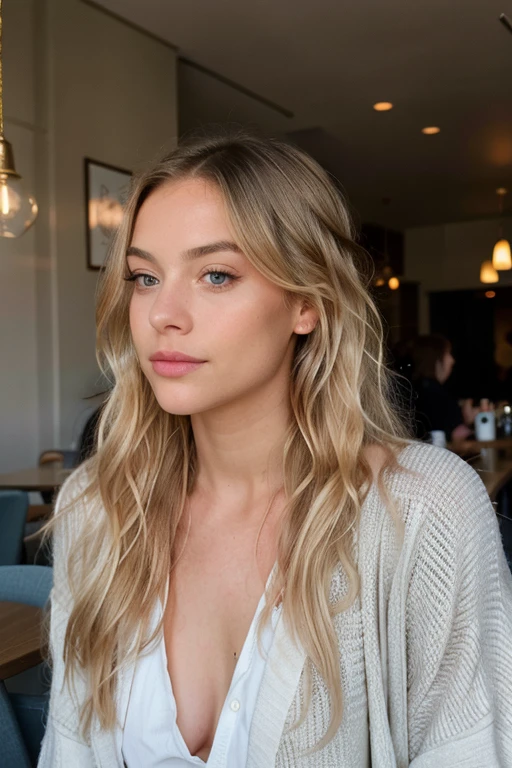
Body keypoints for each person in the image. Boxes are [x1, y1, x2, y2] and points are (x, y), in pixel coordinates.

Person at [38, 132, 512, 767]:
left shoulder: (424, 513)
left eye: (216, 275)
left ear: (307, 305)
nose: (163, 314)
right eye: (145, 277)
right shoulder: (96, 509)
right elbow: (68, 752)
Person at [410, 334, 478, 442]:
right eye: (448, 353)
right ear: (436, 358)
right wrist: (470, 422)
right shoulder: (436, 394)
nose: (452, 360)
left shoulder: (413, 390)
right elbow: (456, 435)